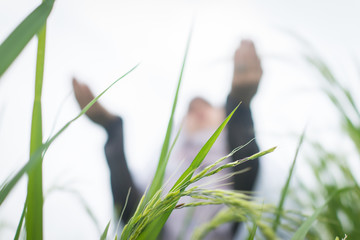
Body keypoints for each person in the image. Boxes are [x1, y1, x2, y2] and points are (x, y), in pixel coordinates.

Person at [72, 39, 262, 239]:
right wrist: (113, 130)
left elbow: (246, 167)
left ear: (225, 119)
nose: (197, 109)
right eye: (189, 110)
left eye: (207, 105)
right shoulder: (163, 173)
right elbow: (133, 216)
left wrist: (239, 106)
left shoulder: (233, 158)